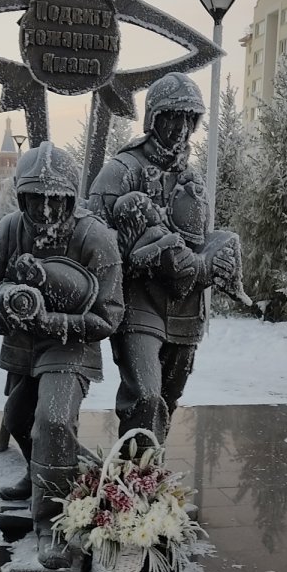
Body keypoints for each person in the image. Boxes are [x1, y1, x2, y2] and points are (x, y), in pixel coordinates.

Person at [0, 142, 123, 570]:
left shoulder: (95, 238)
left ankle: (53, 524)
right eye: (36, 198)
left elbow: (109, 315)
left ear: (72, 198)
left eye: (57, 199)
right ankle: (44, 471)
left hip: (72, 345)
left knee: (53, 421)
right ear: (22, 197)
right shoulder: (11, 228)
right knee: (19, 419)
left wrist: (52, 322)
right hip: (24, 344)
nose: (46, 209)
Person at [89, 72, 241, 445]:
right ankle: (132, 474)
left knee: (168, 401)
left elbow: (200, 238)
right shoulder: (121, 171)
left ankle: (148, 468)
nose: (181, 128)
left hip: (186, 307)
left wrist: (216, 262)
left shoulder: (192, 177)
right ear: (153, 118)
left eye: (189, 119)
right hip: (139, 302)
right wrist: (139, 251)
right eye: (172, 117)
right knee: (146, 397)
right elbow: (93, 240)